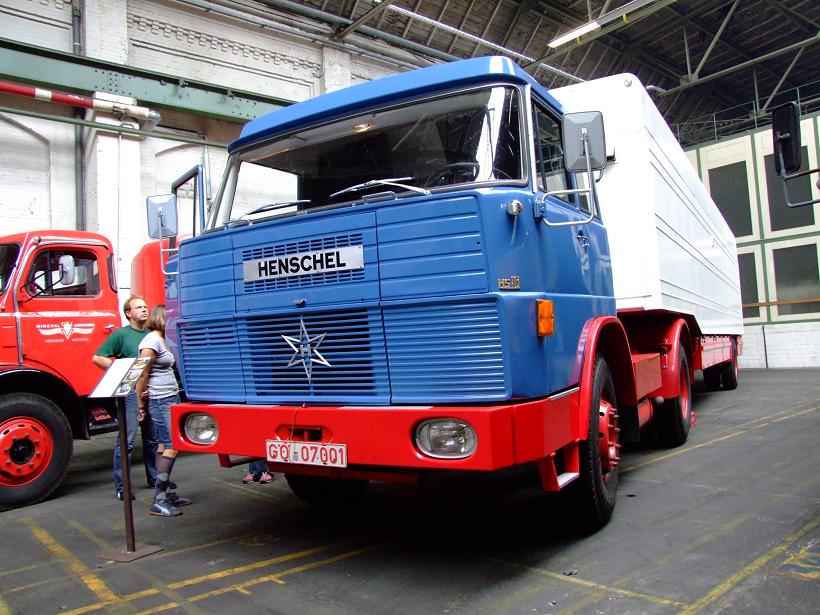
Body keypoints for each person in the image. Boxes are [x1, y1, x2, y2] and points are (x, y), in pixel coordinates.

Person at [92, 295, 159, 501]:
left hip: (149, 390)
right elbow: (97, 357)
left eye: (145, 306)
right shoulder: (121, 335)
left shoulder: (151, 335)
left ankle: (154, 478)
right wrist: (122, 371)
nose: (144, 309)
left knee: (152, 439)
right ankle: (123, 487)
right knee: (127, 441)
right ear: (128, 313)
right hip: (129, 392)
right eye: (139, 307)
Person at [136, 305, 190, 517]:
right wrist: (141, 404)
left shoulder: (162, 339)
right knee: (172, 445)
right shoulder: (150, 342)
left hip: (169, 396)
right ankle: (158, 500)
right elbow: (142, 374)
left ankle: (164, 493)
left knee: (163, 445)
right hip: (160, 399)